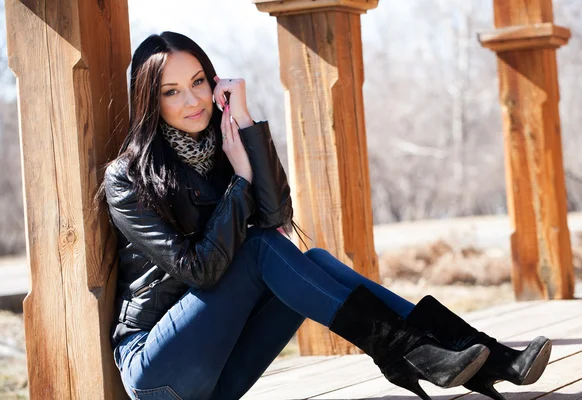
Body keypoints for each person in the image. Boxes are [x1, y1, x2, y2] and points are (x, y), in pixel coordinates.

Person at [98, 31, 551, 400]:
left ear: (215, 83)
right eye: (171, 92)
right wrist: (240, 179)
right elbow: (199, 270)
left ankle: (481, 356)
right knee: (260, 250)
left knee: (308, 259)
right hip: (160, 374)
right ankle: (408, 352)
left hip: (220, 375)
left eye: (199, 82)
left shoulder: (226, 147)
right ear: (149, 101)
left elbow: (278, 217)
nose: (192, 100)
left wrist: (249, 127)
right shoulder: (128, 178)